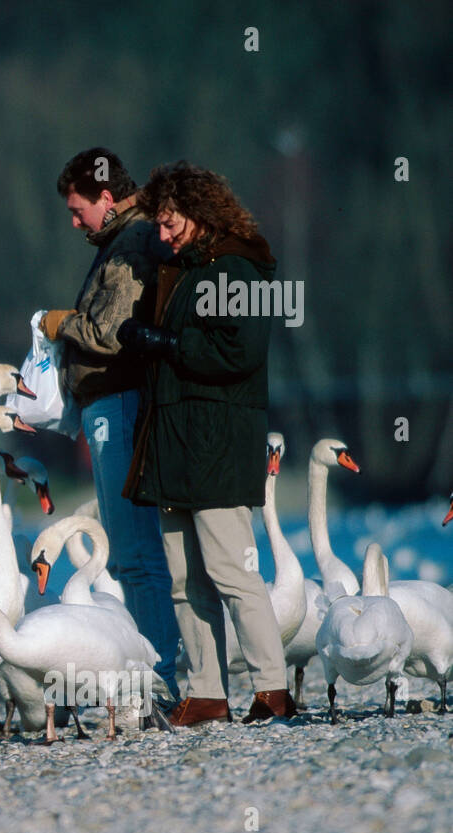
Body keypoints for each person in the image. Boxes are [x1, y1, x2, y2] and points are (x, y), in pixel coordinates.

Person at [118, 161, 295, 726]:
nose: (162, 235)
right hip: (174, 445)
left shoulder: (240, 269)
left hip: (216, 444)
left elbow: (239, 354)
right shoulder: (185, 272)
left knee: (232, 571)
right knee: (183, 579)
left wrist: (165, 341)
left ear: (199, 211)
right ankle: (207, 693)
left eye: (170, 223)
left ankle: (272, 690)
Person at [42, 147, 181, 702]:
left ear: (106, 197)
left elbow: (109, 331)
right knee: (130, 553)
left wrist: (58, 323)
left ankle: (161, 676)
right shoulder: (122, 239)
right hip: (111, 407)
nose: (74, 223)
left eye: (78, 210)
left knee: (135, 552)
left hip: (119, 406)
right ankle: (159, 669)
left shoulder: (131, 243)